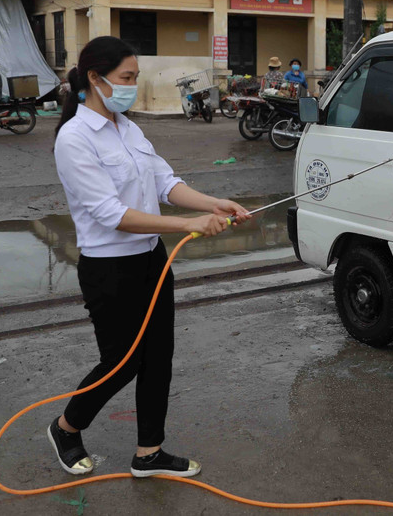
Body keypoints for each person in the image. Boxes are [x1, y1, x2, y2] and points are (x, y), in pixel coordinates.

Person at [49, 36, 251, 479]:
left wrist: (214, 203)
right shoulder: (75, 138)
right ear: (95, 79)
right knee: (122, 362)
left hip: (150, 260)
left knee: (159, 356)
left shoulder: (128, 127)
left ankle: (149, 452)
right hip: (108, 268)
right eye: (126, 78)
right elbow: (110, 214)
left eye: (135, 77)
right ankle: (66, 427)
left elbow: (166, 183)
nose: (132, 86)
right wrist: (187, 225)